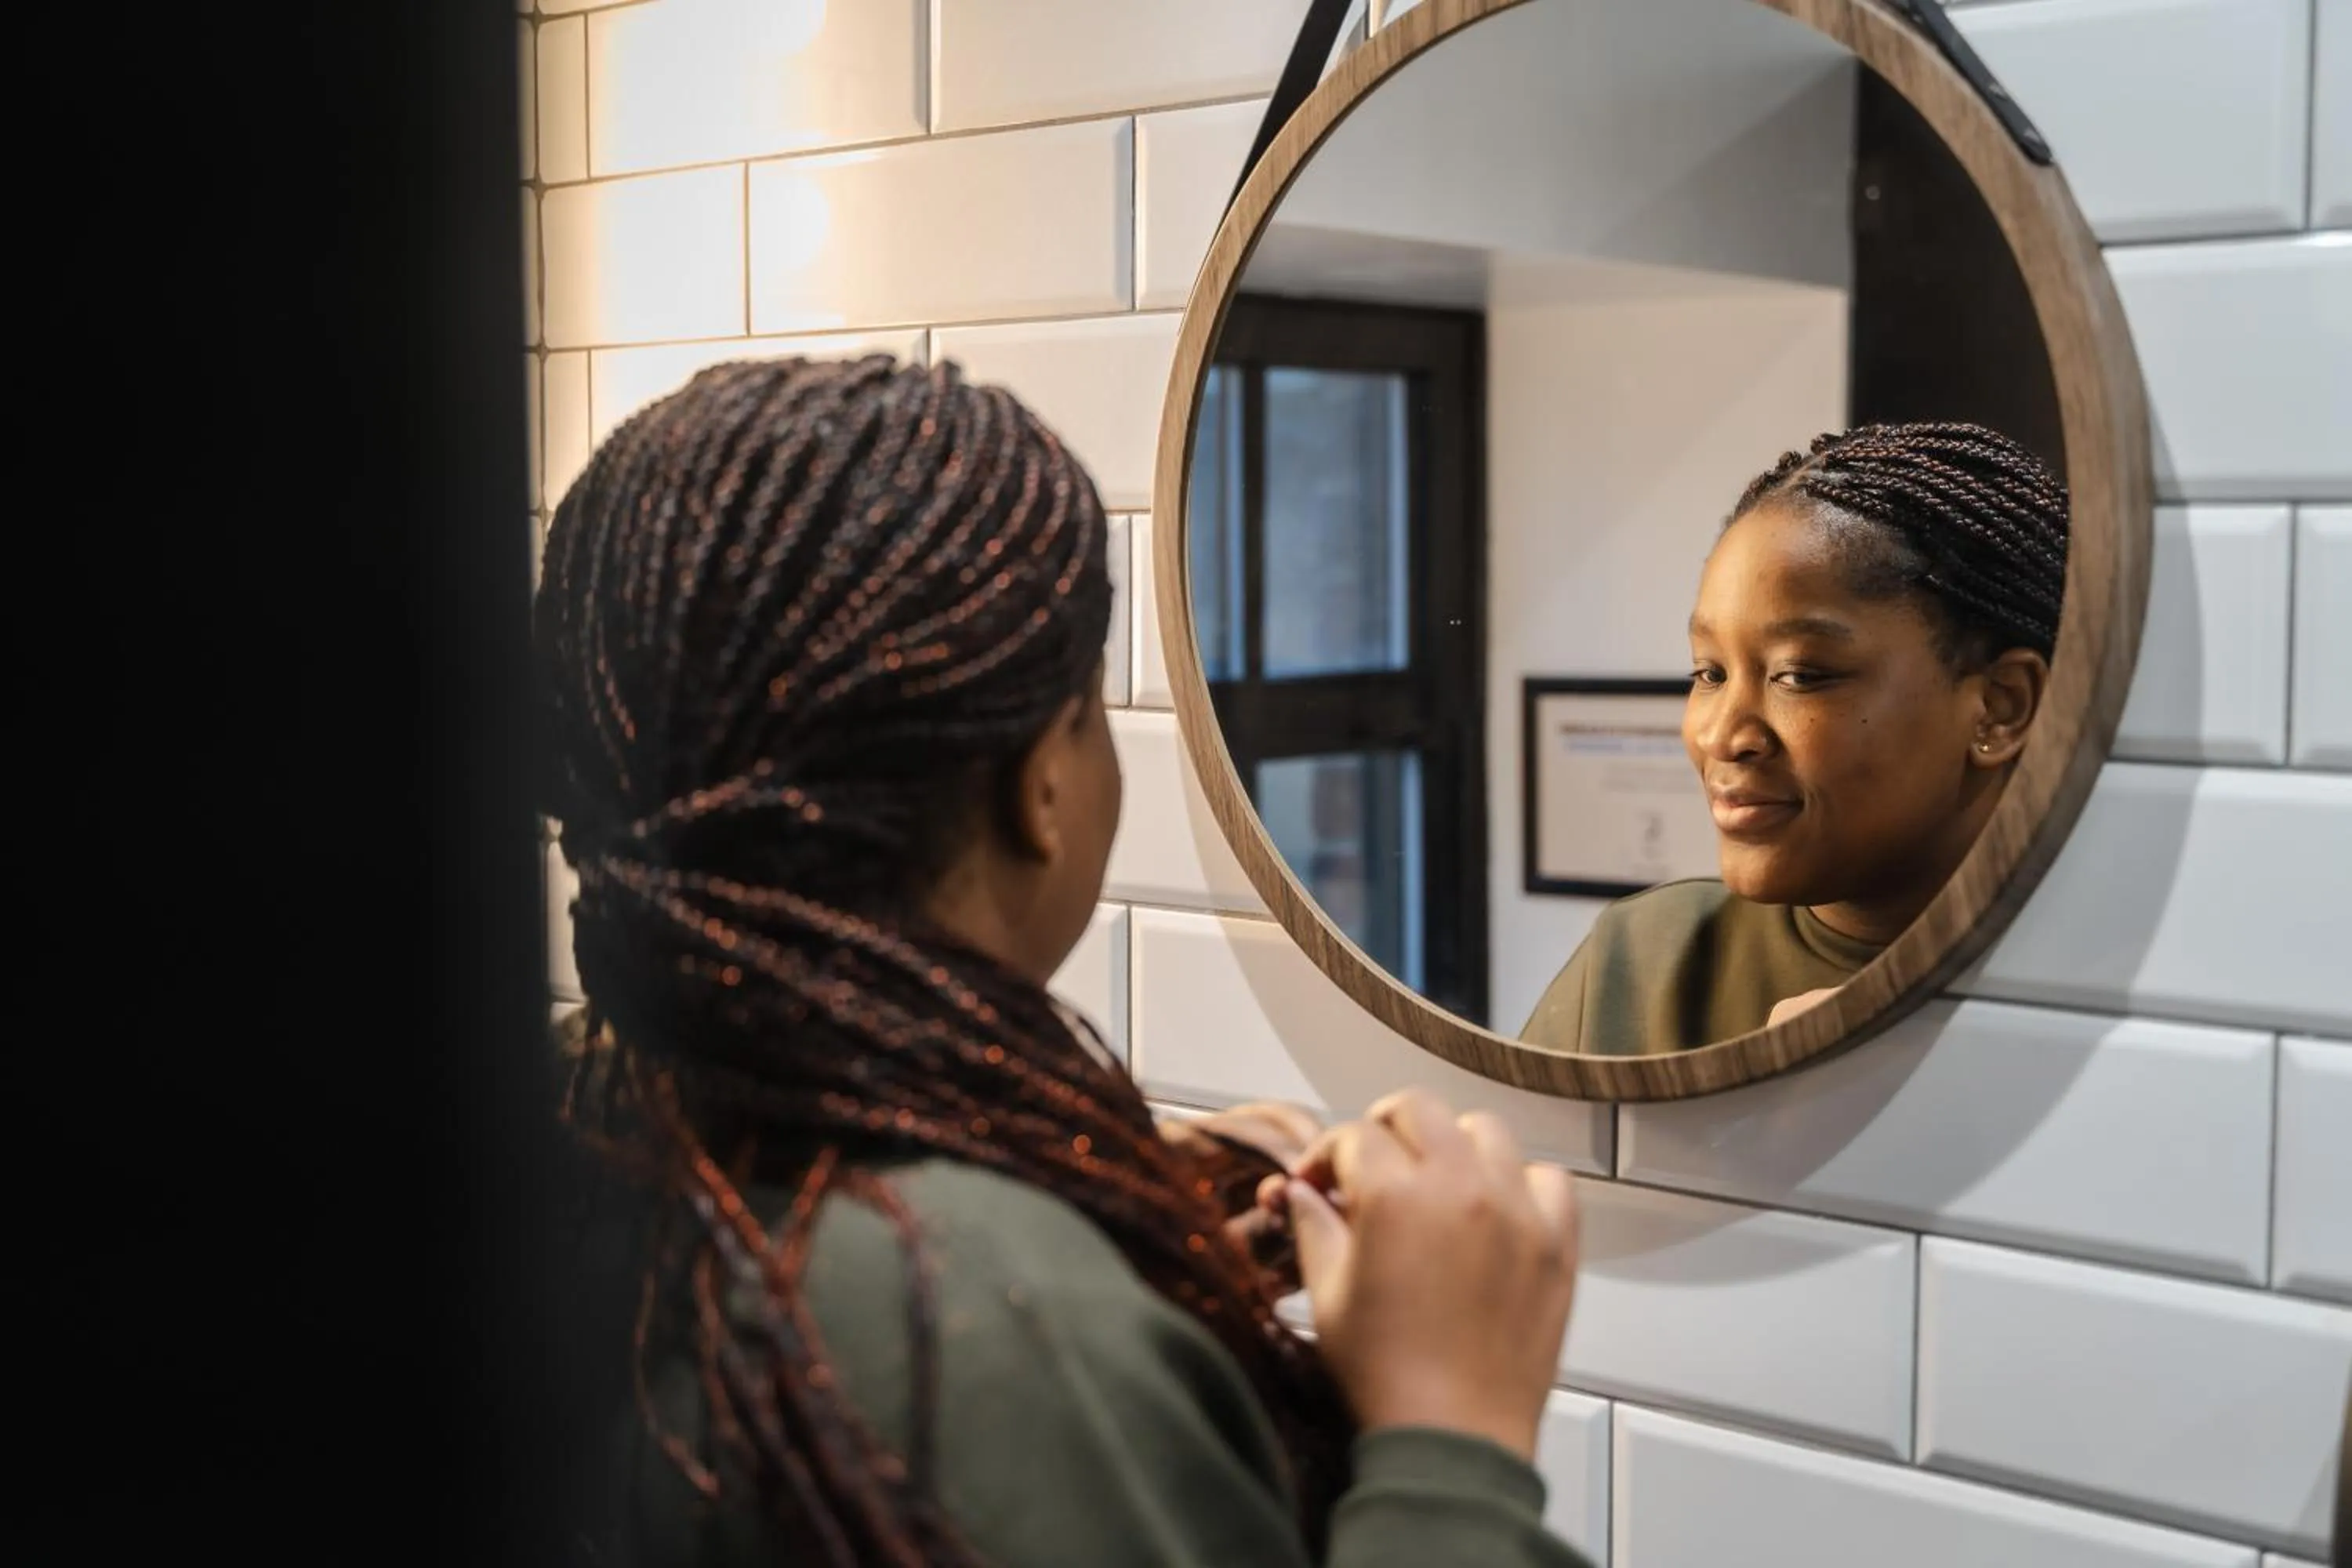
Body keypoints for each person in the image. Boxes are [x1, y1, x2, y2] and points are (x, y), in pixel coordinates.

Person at [537, 354, 1592, 1566]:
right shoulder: (985, 1327)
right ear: (1043, 782)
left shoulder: (575, 1126)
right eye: (1091, 713)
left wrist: (1101, 1231)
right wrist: (1451, 1442)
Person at [1522, 422, 2069, 1056]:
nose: (1726, 735)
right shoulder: (1643, 962)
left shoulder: (2103, 993)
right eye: (1709, 673)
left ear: (2001, 707)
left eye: (1800, 676)